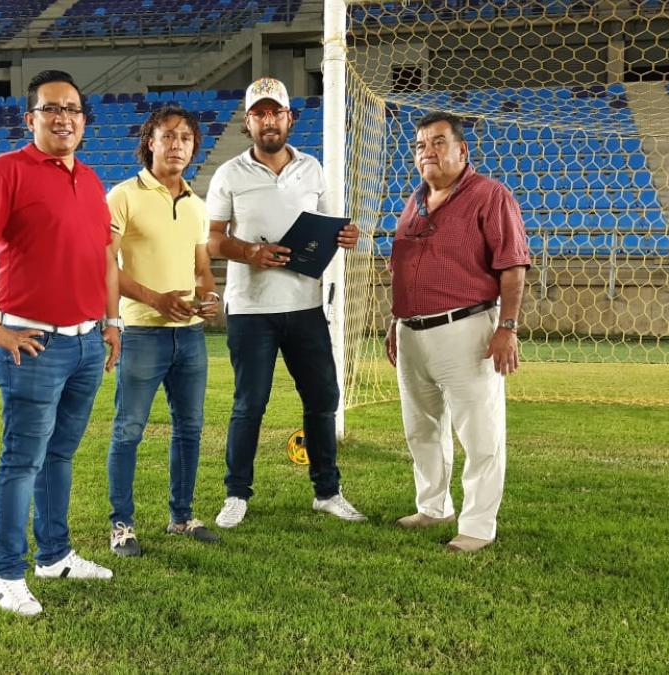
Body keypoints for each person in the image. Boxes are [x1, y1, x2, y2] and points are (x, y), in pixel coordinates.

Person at [0, 69, 124, 617]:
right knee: (21, 461)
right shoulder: (6, 170)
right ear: (30, 118)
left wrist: (111, 321)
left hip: (84, 345)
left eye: (73, 109)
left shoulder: (92, 179)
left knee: (60, 456)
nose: (63, 118)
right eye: (51, 109)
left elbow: (103, 256)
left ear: (84, 120)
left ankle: (54, 555)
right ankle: (7, 575)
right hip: (32, 344)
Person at [205, 77, 364, 529]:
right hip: (252, 308)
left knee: (322, 399)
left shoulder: (313, 169)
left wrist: (345, 236)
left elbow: (334, 227)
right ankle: (237, 494)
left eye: (276, 112)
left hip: (306, 305)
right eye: (259, 113)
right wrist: (250, 253)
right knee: (248, 404)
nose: (268, 120)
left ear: (290, 118)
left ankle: (327, 491)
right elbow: (213, 242)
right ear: (248, 122)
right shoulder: (229, 174)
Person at [385, 111, 531, 553]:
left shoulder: (490, 196)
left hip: (466, 328)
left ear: (462, 150)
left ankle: (478, 526)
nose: (427, 151)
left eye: (438, 142)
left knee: (480, 434)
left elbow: (514, 267)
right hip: (412, 333)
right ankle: (433, 506)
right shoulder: (413, 202)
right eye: (420, 146)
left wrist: (507, 327)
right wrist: (396, 322)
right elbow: (403, 270)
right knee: (421, 428)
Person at [104, 105, 222, 557]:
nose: (177, 145)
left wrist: (207, 297)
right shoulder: (123, 196)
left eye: (186, 138)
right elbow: (105, 268)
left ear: (194, 147)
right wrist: (156, 300)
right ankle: (122, 525)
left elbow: (202, 269)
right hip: (141, 334)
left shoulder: (196, 205)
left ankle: (182, 516)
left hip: (189, 336)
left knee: (189, 428)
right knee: (128, 430)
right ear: (149, 141)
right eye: (168, 136)